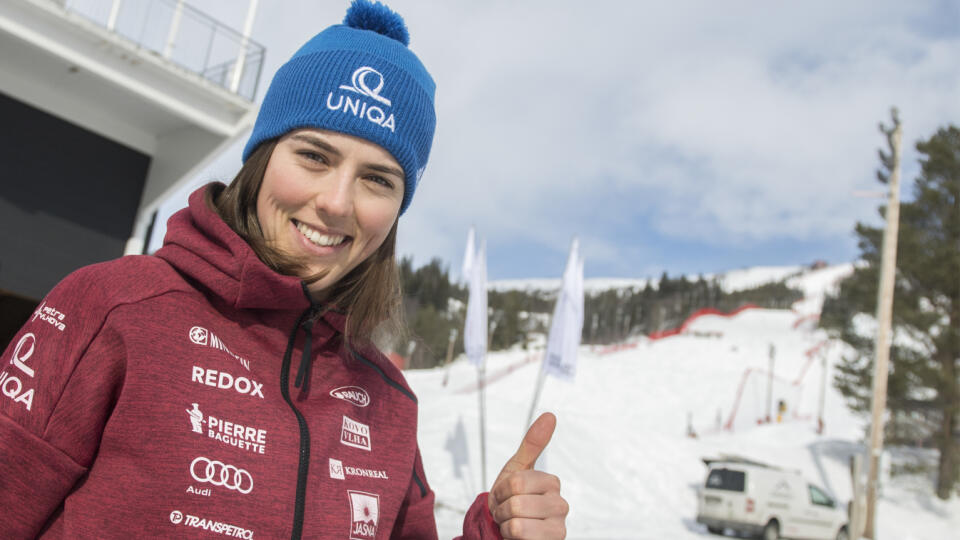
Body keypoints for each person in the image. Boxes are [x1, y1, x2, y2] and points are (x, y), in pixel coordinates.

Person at [0, 1, 568, 538]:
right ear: (262, 158)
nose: (338, 202)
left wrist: (496, 531)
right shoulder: (114, 306)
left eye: (378, 179)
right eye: (314, 156)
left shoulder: (388, 398)